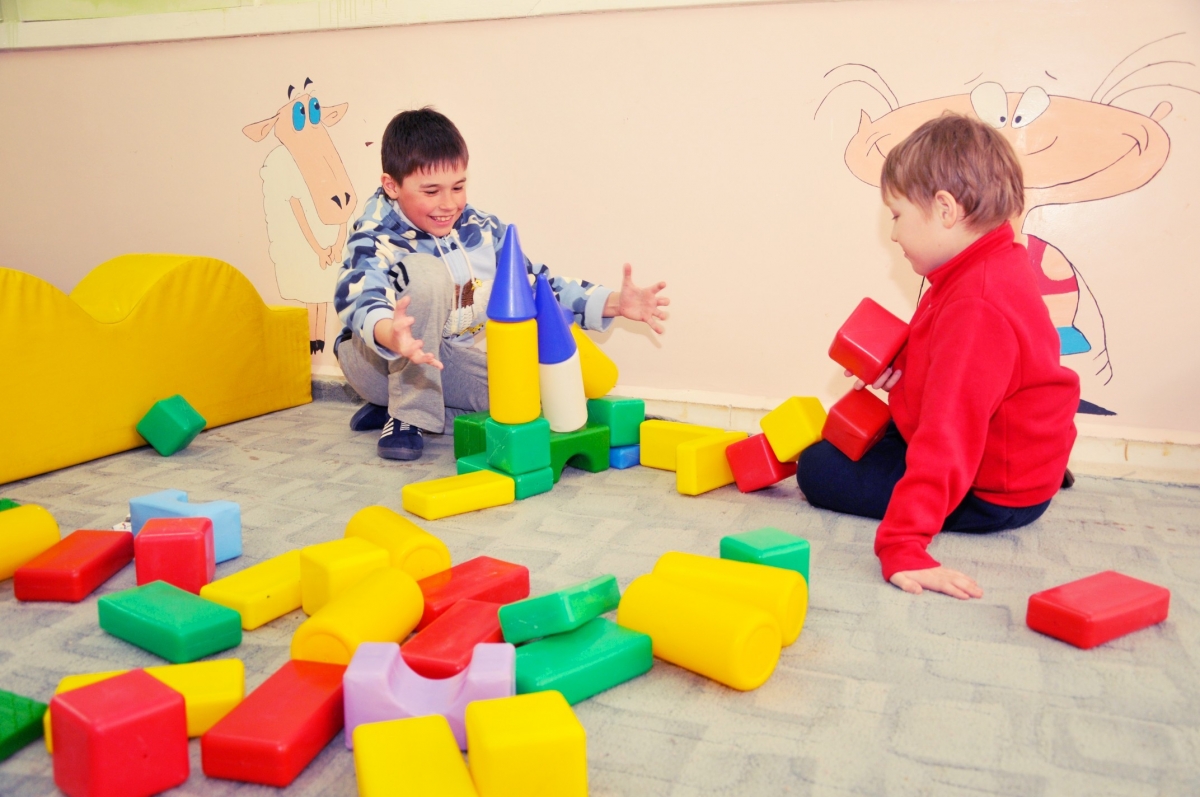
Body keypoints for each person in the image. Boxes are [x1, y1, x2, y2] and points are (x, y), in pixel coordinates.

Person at [798, 114, 1080, 600]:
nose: (893, 234)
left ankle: (1020, 483)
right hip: (1009, 454)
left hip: (990, 492)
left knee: (818, 467)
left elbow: (949, 433)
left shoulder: (976, 305)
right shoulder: (984, 267)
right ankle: (1035, 469)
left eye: (897, 215)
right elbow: (960, 365)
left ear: (945, 209)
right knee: (852, 437)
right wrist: (901, 365)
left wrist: (903, 545)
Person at [333, 108, 669, 461]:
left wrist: (613, 302)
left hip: (441, 361)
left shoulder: (482, 229)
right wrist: (389, 332)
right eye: (431, 191)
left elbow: (535, 286)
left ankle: (394, 406)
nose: (449, 204)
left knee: (526, 400)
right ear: (392, 186)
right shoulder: (375, 232)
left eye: (458, 187)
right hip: (374, 359)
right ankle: (407, 416)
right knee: (426, 273)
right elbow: (359, 291)